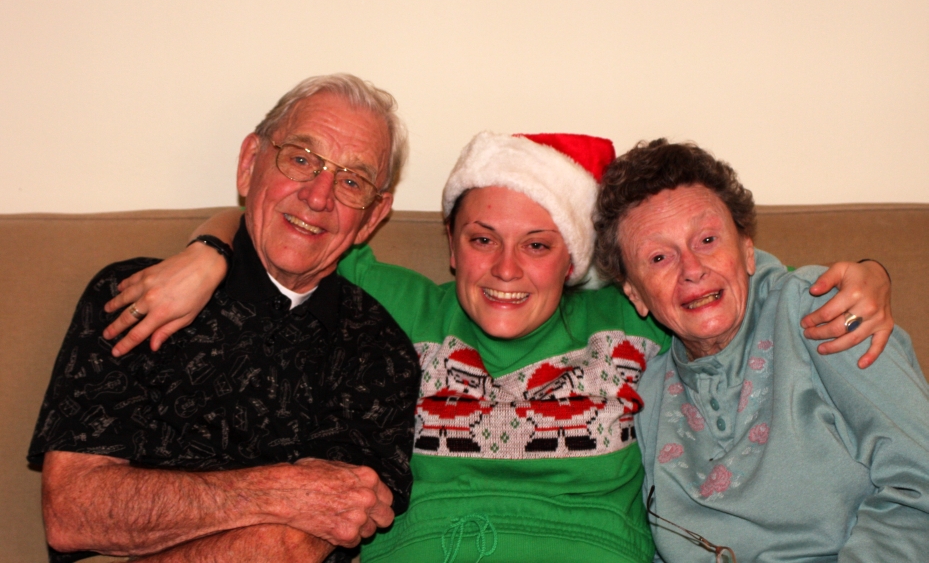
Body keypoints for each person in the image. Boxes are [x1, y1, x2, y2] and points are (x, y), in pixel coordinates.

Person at [107, 130, 894, 562]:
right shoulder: (398, 307)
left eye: (537, 245)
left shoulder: (624, 315)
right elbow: (289, 227)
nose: (506, 270)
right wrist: (206, 252)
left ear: (575, 261)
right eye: (482, 239)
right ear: (451, 248)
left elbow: (723, 282)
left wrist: (866, 273)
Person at [28, 74, 421, 563]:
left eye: (351, 181)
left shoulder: (378, 351)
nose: (319, 197)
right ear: (249, 163)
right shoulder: (134, 296)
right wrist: (282, 492)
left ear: (373, 216)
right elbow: (73, 513)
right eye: (301, 159)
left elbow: (295, 543)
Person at [594, 138, 929, 562]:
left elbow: (920, 480)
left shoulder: (820, 313)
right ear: (635, 294)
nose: (692, 270)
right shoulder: (647, 398)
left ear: (748, 250)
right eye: (659, 257)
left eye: (708, 239)